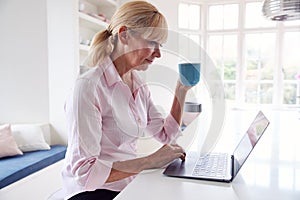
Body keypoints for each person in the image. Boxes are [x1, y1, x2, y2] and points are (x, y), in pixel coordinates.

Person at [62, 1, 193, 199]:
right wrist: (150, 161)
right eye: (152, 42)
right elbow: (85, 174)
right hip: (92, 192)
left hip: (127, 184)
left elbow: (166, 135)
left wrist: (180, 90)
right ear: (124, 34)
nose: (158, 53)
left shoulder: (138, 84)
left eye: (160, 45)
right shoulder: (89, 87)